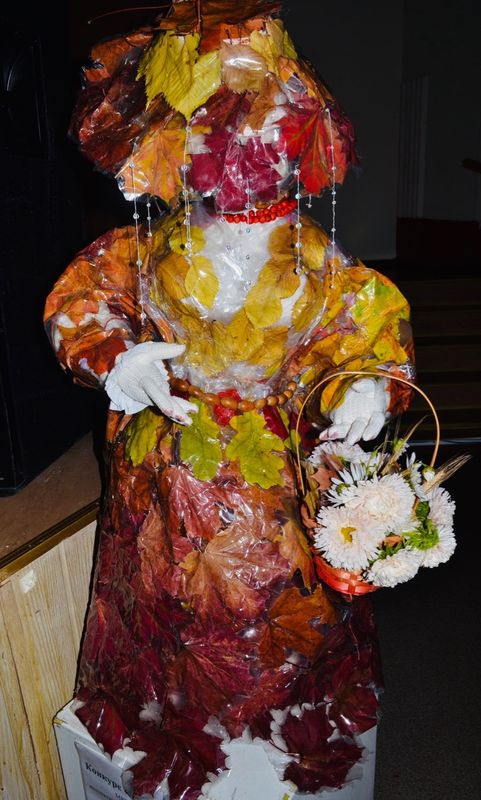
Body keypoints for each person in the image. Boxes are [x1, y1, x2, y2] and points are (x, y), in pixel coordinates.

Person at [45, 2, 415, 797]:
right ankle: (171, 725)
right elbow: (87, 300)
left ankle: (281, 726)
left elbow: (361, 324)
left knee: (277, 616)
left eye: (263, 125)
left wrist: (364, 382)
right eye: (214, 127)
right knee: (169, 613)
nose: (242, 146)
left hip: (276, 478)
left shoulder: (315, 259)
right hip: (166, 479)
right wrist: (114, 357)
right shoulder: (147, 250)